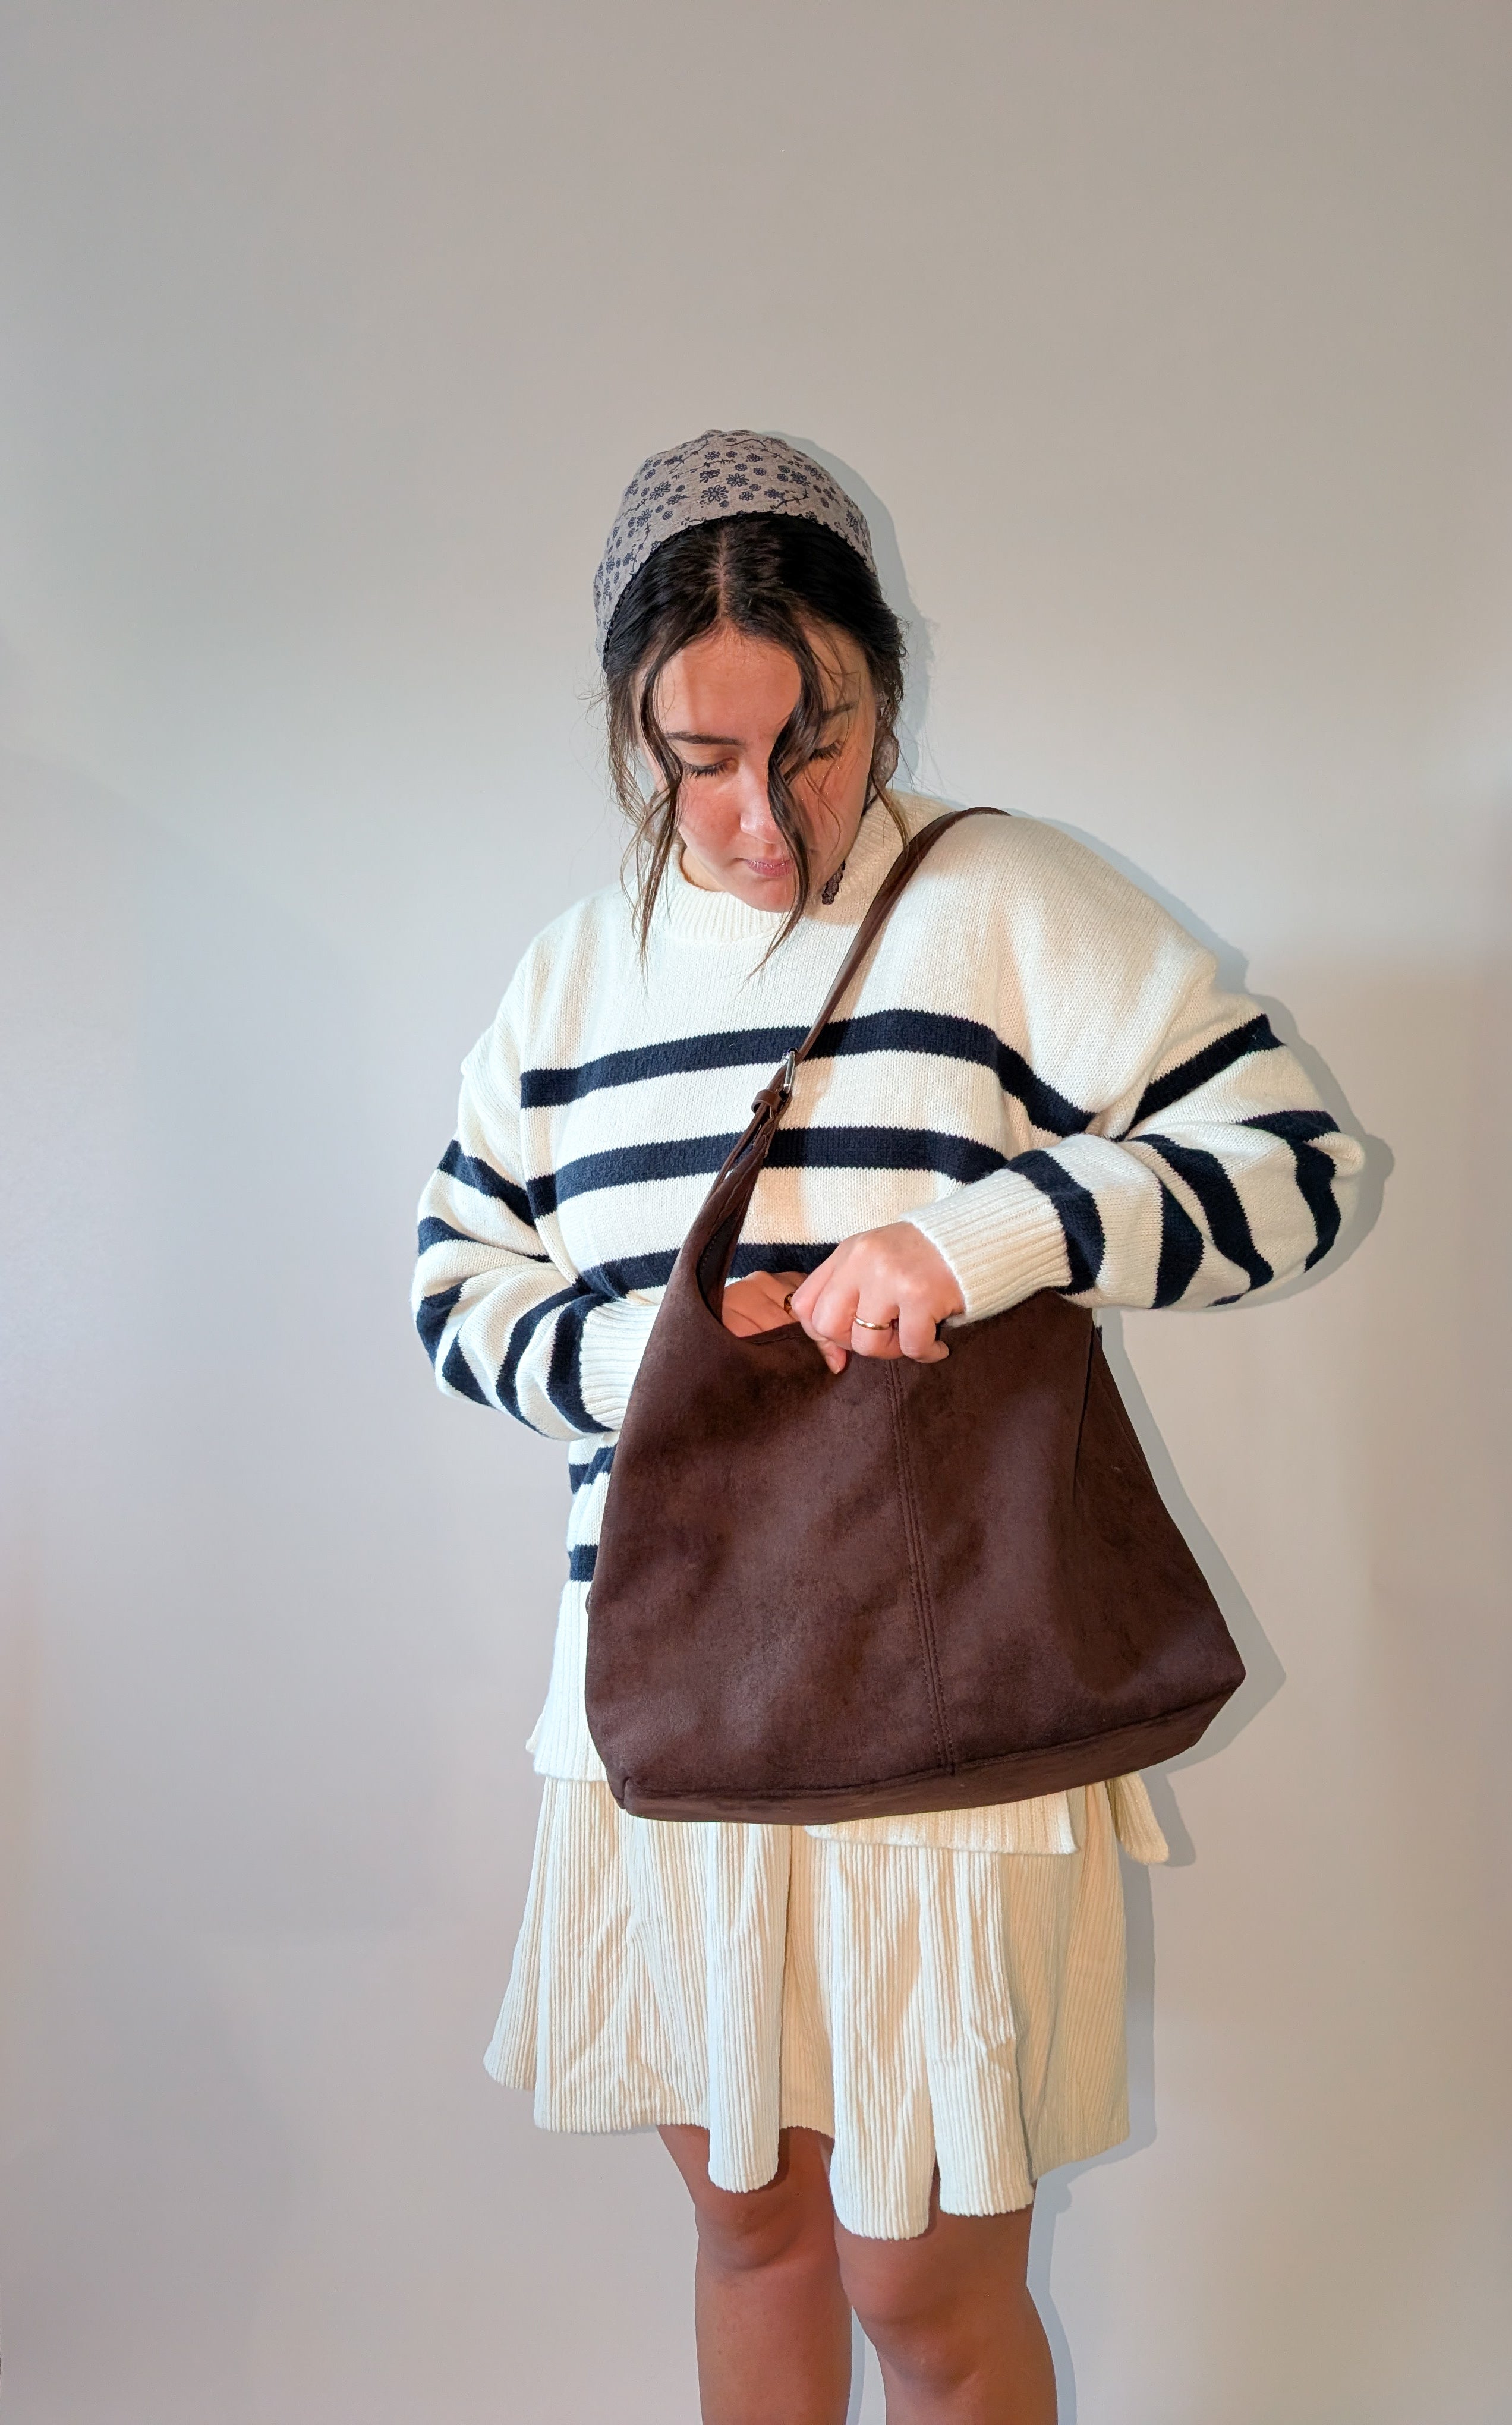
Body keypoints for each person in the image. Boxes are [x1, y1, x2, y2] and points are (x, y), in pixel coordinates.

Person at [412, 430, 1363, 2424]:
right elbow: (450, 1283)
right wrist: (661, 1361)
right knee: (749, 2236)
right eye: (704, 757)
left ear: (884, 685)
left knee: (918, 2290)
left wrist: (985, 1235)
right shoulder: (572, 981)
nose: (765, 817)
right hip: (667, 1696)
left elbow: (1294, 1165)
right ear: (632, 732)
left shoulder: (1001, 896)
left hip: (942, 1694)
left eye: (816, 739)